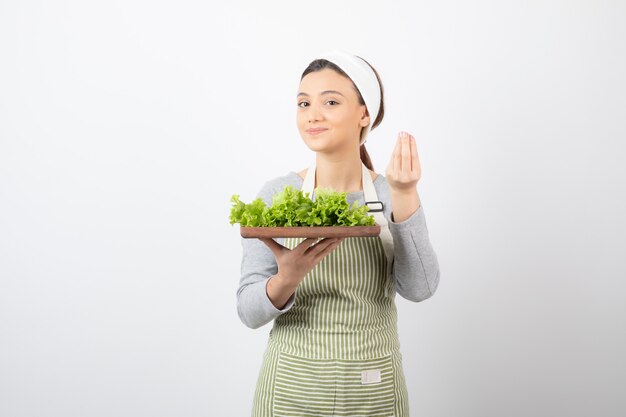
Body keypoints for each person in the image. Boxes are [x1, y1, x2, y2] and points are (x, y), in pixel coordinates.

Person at [236, 50, 440, 417]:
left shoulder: (391, 192)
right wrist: (285, 279)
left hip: (372, 387)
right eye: (303, 103)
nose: (312, 114)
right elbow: (248, 311)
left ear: (364, 113)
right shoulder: (279, 194)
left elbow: (421, 288)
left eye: (330, 101)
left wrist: (406, 194)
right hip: (290, 389)